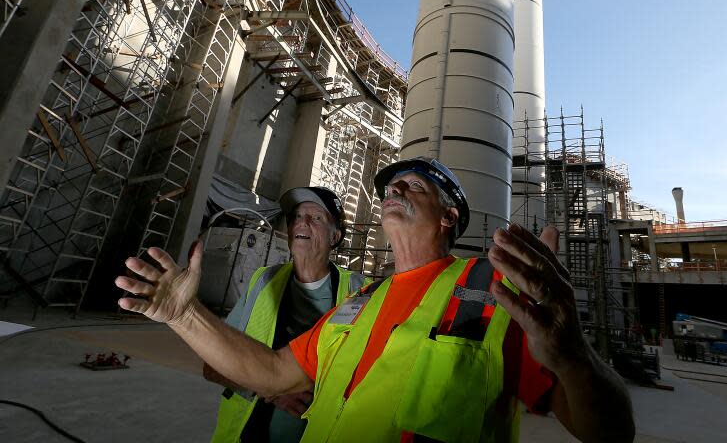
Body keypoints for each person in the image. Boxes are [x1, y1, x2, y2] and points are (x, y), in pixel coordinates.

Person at [116, 157, 635, 442]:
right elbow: (272, 373)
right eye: (389, 187)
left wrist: (577, 359)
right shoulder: (360, 302)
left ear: (448, 216)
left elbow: (611, 432)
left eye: (413, 187)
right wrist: (182, 314)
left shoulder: (490, 294)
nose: (394, 191)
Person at [205, 186, 366, 442]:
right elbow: (213, 365)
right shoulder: (263, 281)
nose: (302, 222)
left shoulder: (359, 292)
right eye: (297, 217)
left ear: (335, 236)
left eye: (316, 218)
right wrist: (271, 389)